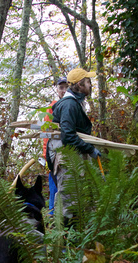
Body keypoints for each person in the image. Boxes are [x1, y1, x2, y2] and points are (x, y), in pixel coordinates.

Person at [50, 68, 102, 220]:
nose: (90, 85)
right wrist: (89, 149)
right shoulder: (69, 105)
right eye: (87, 82)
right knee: (68, 203)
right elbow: (68, 136)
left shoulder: (75, 103)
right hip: (67, 160)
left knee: (77, 199)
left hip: (72, 159)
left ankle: (75, 238)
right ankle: (66, 239)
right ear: (79, 85)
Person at [44, 77, 68, 215]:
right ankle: (53, 215)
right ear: (57, 89)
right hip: (54, 154)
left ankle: (62, 215)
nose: (64, 91)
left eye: (66, 87)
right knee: (54, 185)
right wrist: (46, 156)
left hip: (66, 153)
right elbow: (46, 134)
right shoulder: (51, 108)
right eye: (61, 88)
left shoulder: (71, 105)